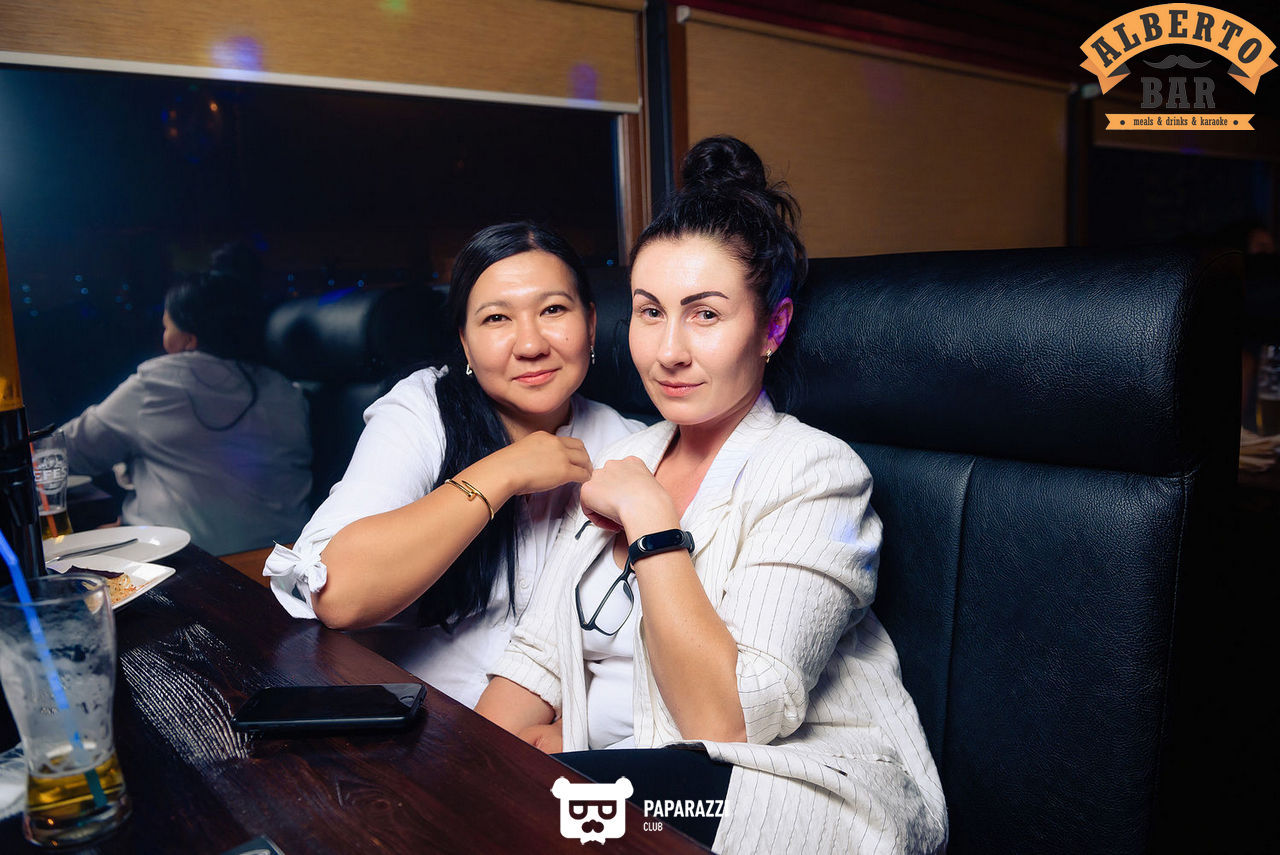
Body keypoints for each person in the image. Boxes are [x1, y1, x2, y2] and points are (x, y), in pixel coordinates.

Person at [476, 138, 947, 853]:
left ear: (772, 326)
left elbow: (724, 719)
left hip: (791, 791)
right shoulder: (629, 457)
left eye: (705, 314)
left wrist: (650, 518)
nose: (668, 351)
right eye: (649, 312)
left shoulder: (816, 473)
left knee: (562, 806)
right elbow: (536, 661)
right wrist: (478, 767)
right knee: (475, 793)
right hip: (640, 777)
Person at [264, 223, 641, 708]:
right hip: (406, 715)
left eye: (552, 310)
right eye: (496, 318)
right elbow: (338, 595)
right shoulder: (423, 409)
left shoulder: (629, 445)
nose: (530, 345)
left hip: (540, 731)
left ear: (590, 322)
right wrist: (502, 473)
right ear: (464, 341)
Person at [61, 269, 312, 556]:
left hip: (189, 565)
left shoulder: (155, 385)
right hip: (282, 560)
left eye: (167, 328)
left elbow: (68, 453)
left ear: (189, 340)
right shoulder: (288, 391)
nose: (163, 338)